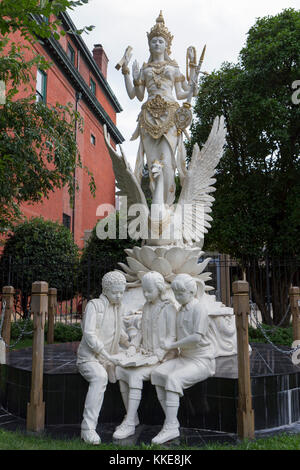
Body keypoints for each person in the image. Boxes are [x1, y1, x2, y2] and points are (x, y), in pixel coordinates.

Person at [120, 11, 198, 206]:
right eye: (153, 40)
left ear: (167, 45)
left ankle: (168, 206)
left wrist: (193, 68)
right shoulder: (145, 70)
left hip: (170, 116)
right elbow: (134, 95)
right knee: (153, 164)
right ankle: (156, 205)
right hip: (147, 117)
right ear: (149, 44)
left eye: (160, 41)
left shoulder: (174, 68)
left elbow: (185, 92)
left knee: (168, 162)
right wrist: (126, 71)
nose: (156, 44)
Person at [150, 274, 216, 444]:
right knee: (157, 373)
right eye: (176, 294)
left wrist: (171, 345)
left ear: (192, 292)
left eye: (181, 294)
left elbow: (196, 338)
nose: (178, 298)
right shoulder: (180, 310)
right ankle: (172, 422)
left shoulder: (198, 309)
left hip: (201, 360)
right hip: (183, 357)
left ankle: (170, 428)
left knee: (173, 379)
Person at [113, 271, 177, 440]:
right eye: (144, 291)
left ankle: (128, 423)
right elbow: (141, 331)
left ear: (159, 289)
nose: (146, 294)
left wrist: (159, 354)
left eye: (149, 291)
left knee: (135, 375)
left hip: (162, 357)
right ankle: (132, 417)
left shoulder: (169, 307)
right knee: (120, 370)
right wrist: (133, 346)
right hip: (145, 353)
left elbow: (172, 335)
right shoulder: (148, 306)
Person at [76, 271, 134, 445]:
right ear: (106, 289)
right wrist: (106, 355)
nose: (119, 296)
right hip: (90, 359)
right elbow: (88, 334)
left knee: (130, 372)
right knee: (100, 377)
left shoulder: (118, 307)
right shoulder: (95, 306)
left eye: (121, 292)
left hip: (109, 359)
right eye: (115, 292)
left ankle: (132, 419)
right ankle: (87, 428)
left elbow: (119, 332)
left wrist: (131, 344)